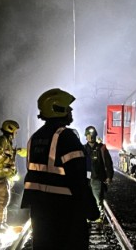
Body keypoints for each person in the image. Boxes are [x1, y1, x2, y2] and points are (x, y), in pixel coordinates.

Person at [20, 88, 98, 250]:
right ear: (57, 109)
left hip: (39, 208)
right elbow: (77, 179)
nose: (70, 111)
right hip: (65, 210)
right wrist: (91, 209)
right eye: (67, 107)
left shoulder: (35, 138)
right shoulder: (66, 137)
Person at [0, 119, 27, 231]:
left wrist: (18, 151)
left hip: (4, 176)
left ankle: (2, 222)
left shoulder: (7, 141)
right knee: (1, 200)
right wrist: (8, 163)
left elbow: (8, 154)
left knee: (5, 199)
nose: (16, 134)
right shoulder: (1, 140)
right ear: (10, 130)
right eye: (15, 131)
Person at [83, 126, 114, 221]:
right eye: (89, 135)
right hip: (86, 179)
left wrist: (109, 176)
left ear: (95, 136)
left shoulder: (101, 148)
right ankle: (87, 218)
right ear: (86, 136)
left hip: (97, 178)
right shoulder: (83, 149)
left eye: (92, 135)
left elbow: (108, 163)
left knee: (98, 200)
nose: (91, 137)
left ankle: (99, 219)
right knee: (85, 199)